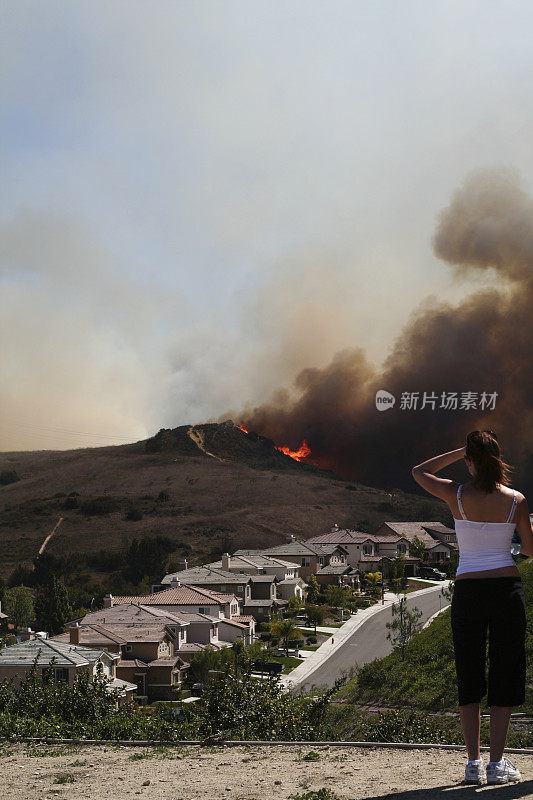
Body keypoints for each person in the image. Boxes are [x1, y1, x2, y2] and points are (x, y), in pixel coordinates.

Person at [412, 429, 533, 786]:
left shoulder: (456, 494)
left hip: (468, 592)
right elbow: (529, 549)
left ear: (469, 459)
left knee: (469, 671)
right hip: (506, 590)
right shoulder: (516, 499)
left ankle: (472, 763)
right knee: (505, 670)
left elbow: (419, 472)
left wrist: (458, 452)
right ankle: (496, 765)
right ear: (498, 459)